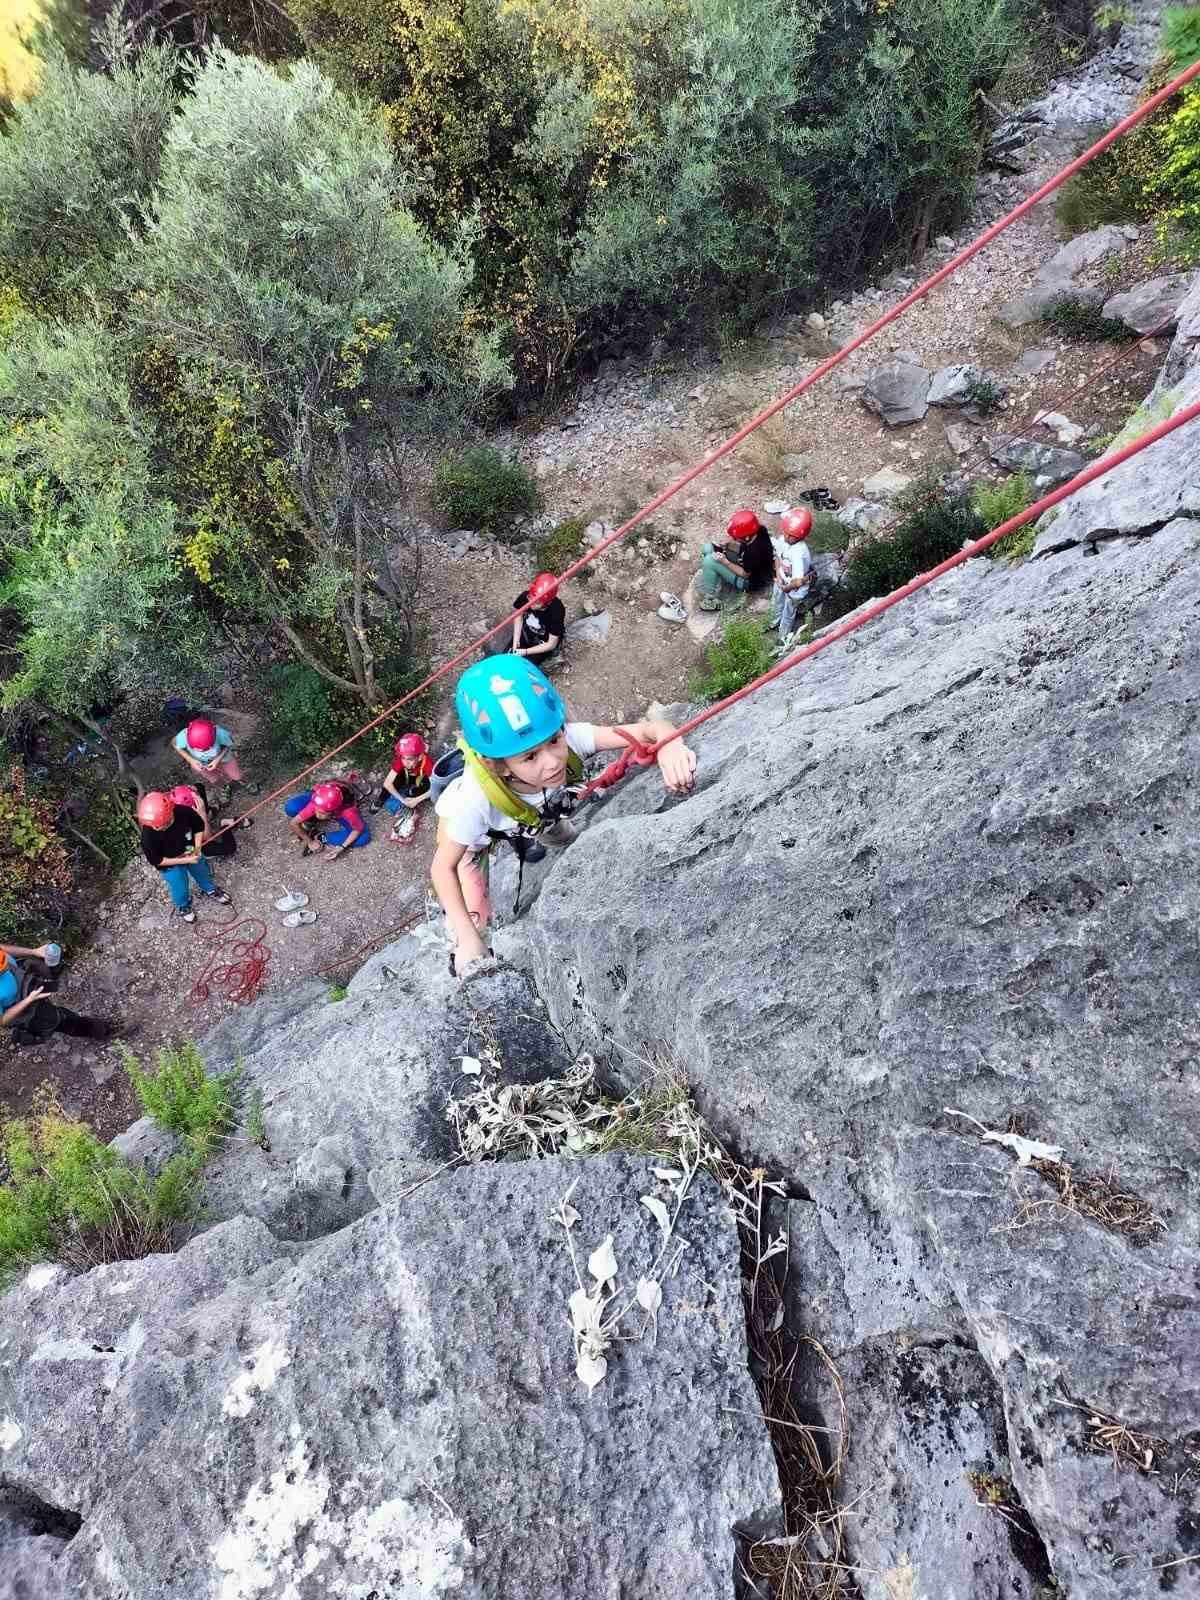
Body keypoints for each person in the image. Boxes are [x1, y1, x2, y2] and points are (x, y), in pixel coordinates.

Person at [431, 655, 696, 976]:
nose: (553, 761)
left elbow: (652, 729)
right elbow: (442, 868)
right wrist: (468, 937)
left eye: (554, 741)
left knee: (565, 839)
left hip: (537, 816)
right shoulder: (473, 801)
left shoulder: (568, 740)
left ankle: (539, 836)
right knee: (474, 935)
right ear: (498, 766)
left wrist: (671, 746)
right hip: (474, 845)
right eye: (530, 756)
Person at [139, 790, 233, 924]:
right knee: (179, 885)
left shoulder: (183, 812)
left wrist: (197, 848)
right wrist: (186, 860)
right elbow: (157, 860)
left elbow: (198, 827)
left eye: (160, 825)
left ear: (170, 814)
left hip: (190, 850)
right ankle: (183, 905)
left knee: (202, 871)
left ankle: (210, 889)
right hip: (169, 864)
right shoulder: (148, 836)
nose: (156, 827)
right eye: (154, 825)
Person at [0, 942, 115, 1045]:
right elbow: (3, 1020)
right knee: (61, 1019)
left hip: (26, 980)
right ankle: (101, 1031)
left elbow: (2, 948)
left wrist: (34, 951)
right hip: (22, 1006)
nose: (7, 967)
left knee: (47, 967)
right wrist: (29, 999)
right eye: (3, 970)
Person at [696, 509, 775, 612]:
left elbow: (745, 574)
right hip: (748, 563)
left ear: (746, 537)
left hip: (749, 582)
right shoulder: (758, 530)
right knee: (707, 548)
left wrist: (725, 562)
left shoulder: (753, 552)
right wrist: (728, 546)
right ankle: (713, 572)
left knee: (708, 561)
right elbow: (744, 548)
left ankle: (710, 599)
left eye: (736, 538)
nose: (734, 539)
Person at [369, 734, 434, 842]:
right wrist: (403, 800)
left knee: (416, 791)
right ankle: (381, 799)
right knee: (392, 784)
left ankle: (411, 797)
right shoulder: (402, 760)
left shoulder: (427, 763)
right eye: (403, 758)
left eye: (410, 759)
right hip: (407, 777)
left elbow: (435, 788)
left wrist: (416, 800)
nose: (405, 762)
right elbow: (387, 783)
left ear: (420, 757)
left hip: (420, 779)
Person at [284, 780, 370, 859]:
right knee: (291, 807)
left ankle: (321, 836)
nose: (317, 814)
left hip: (339, 809)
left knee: (364, 837)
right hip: (325, 800)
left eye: (321, 813)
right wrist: (310, 842)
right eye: (316, 810)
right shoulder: (317, 803)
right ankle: (310, 821)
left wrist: (341, 848)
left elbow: (357, 830)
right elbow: (293, 823)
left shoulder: (348, 812)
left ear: (333, 812)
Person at [173, 718, 248, 805]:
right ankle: (224, 788)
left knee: (236, 775)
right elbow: (174, 743)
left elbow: (228, 745)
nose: (203, 752)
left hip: (223, 757)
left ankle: (244, 782)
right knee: (214, 779)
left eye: (207, 749)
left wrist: (217, 760)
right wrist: (191, 760)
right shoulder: (183, 736)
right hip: (200, 763)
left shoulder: (220, 733)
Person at [775, 507, 814, 641]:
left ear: (800, 537)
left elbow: (798, 582)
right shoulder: (783, 540)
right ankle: (773, 621)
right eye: (786, 533)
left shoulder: (799, 552)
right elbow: (777, 557)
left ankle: (782, 636)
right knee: (777, 601)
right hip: (782, 579)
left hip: (795, 589)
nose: (786, 536)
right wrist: (778, 575)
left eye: (791, 536)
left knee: (789, 611)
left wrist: (786, 588)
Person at [510, 573, 566, 663]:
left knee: (527, 663)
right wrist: (516, 640)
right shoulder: (525, 597)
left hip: (545, 640)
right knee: (509, 654)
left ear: (547, 603)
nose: (531, 603)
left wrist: (526, 652)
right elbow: (518, 615)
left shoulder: (556, 611)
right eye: (530, 597)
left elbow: (551, 644)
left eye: (537, 602)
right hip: (528, 630)